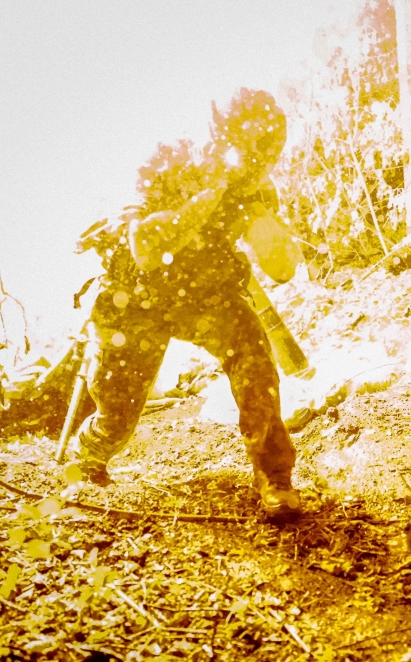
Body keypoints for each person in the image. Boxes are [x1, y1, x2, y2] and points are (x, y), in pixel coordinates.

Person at [72, 88, 302, 519]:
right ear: (223, 138)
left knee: (255, 362)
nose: (260, 166)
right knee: (116, 419)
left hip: (204, 298)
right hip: (134, 300)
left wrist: (255, 210)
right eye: (253, 153)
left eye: (268, 157)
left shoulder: (253, 187)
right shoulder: (167, 160)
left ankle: (275, 474)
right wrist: (207, 198)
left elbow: (283, 268)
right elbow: (144, 247)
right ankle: (88, 454)